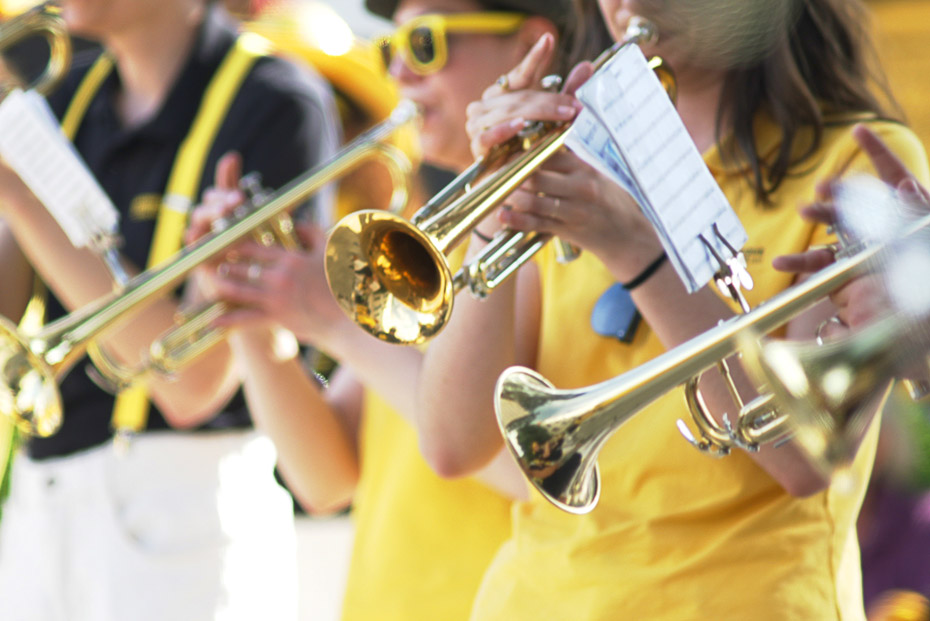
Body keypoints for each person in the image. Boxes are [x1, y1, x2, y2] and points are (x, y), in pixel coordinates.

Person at [410, 0, 930, 618]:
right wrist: (494, 205)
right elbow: (452, 443)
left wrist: (637, 252)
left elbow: (801, 456)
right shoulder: (569, 151)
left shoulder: (854, 157)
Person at [185, 1, 613, 619]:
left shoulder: (556, 235)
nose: (400, 76)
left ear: (531, 46)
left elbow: (534, 472)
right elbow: (326, 476)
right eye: (392, 49)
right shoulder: (435, 239)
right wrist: (253, 309)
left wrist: (339, 324)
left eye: (425, 43)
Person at [0, 0, 339, 619]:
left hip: (182, 511)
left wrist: (14, 188)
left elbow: (192, 380)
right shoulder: (68, 94)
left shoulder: (278, 103)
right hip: (41, 500)